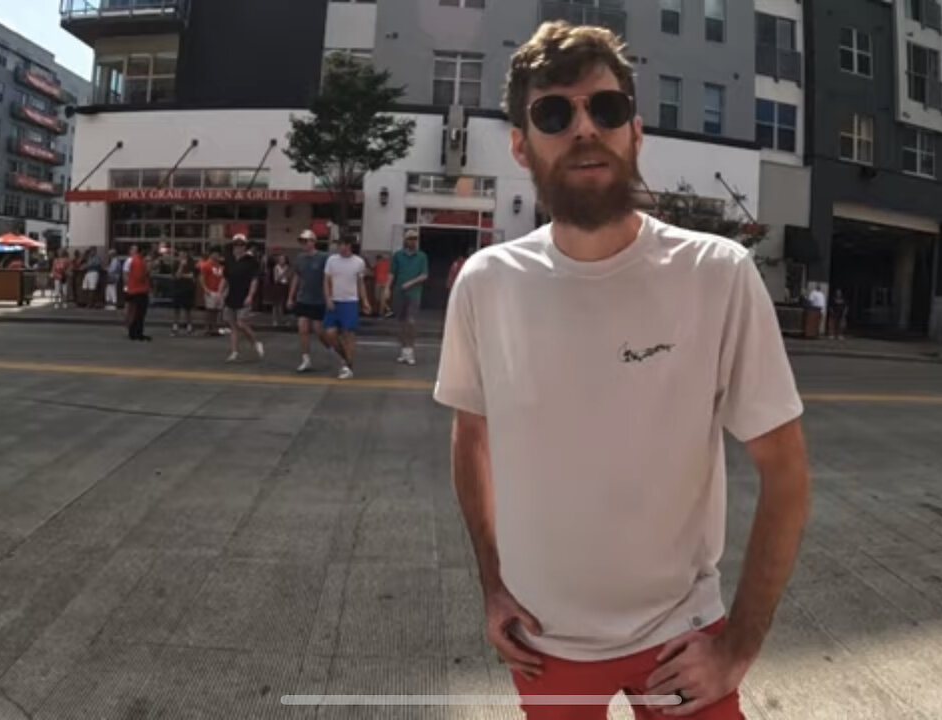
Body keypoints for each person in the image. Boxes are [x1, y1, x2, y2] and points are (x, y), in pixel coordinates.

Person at [432, 21, 811, 720]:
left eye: (604, 109)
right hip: (542, 642)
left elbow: (786, 473)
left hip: (679, 638)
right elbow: (471, 436)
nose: (584, 129)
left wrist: (738, 650)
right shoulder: (485, 283)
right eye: (554, 113)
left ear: (636, 132)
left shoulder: (716, 273)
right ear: (521, 143)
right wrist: (491, 584)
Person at [321, 237, 371, 379]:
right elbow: (326, 281)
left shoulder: (358, 262)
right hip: (334, 300)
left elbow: (360, 283)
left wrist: (365, 301)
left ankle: (348, 366)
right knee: (330, 333)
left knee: (348, 334)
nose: (341, 248)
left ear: (349, 246)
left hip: (350, 301)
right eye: (339, 245)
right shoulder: (332, 260)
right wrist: (328, 298)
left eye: (343, 245)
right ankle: (345, 358)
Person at [289, 229, 329, 373]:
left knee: (319, 330)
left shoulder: (324, 257)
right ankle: (306, 358)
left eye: (306, 241)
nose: (304, 244)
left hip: (319, 299)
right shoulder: (300, 258)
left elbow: (329, 277)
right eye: (302, 242)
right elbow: (296, 277)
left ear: (313, 242)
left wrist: (329, 296)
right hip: (303, 298)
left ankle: (332, 346)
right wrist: (291, 296)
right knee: (302, 328)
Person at [388, 228, 429, 365]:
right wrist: (387, 288)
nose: (413, 241)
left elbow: (424, 275)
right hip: (399, 292)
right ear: (405, 240)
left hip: (414, 292)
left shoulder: (422, 256)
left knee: (411, 321)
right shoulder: (398, 256)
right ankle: (403, 350)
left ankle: (410, 350)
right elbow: (392, 273)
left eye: (415, 239)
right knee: (401, 322)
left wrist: (410, 283)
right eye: (410, 239)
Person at [221, 235, 264, 362]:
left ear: (245, 247)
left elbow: (254, 280)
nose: (238, 247)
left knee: (241, 323)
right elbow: (225, 278)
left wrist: (250, 295)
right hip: (231, 295)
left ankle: (255, 342)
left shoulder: (251, 261)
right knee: (233, 325)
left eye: (241, 245)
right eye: (236, 245)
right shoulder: (229, 260)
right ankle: (234, 351)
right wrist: (220, 292)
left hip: (244, 295)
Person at [124, 244, 151, 341]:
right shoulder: (139, 261)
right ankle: (137, 333)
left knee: (136, 313)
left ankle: (133, 332)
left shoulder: (134, 260)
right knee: (139, 313)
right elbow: (140, 277)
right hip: (140, 290)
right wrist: (147, 272)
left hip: (134, 289)